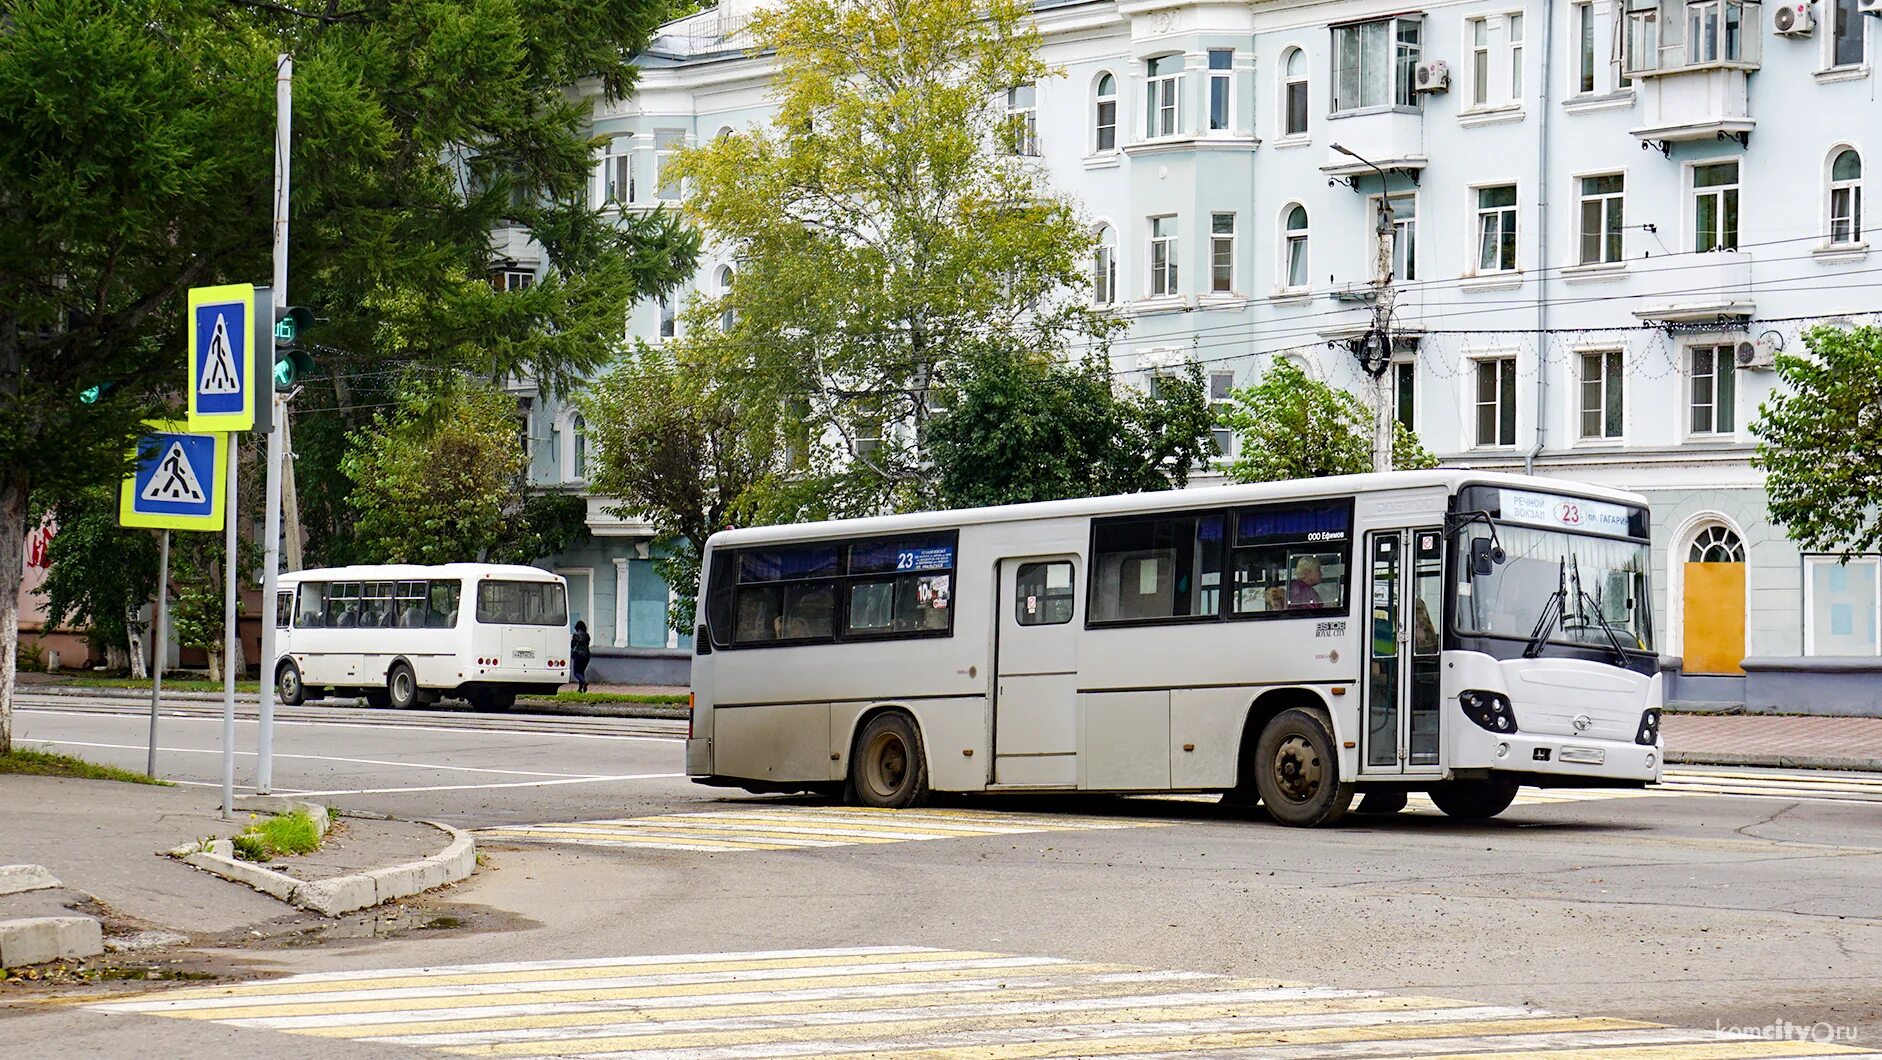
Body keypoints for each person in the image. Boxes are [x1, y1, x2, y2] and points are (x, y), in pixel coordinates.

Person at [571, 620, 592, 694]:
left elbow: (572, 645)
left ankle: (584, 682)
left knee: (576, 672)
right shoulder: (587, 635)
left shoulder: (576, 634)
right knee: (581, 672)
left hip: (579, 655)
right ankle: (580, 689)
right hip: (587, 656)